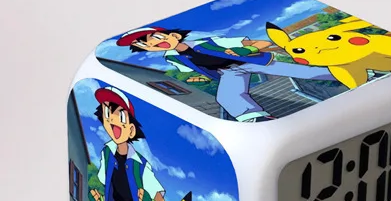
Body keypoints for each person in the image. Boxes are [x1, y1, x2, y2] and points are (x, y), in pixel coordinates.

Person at [116, 27, 336, 122]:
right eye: (146, 45)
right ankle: (256, 118)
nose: (154, 44)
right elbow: (193, 71)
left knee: (298, 71)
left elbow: (256, 43)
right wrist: (197, 79)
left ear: (173, 35)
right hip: (228, 72)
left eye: (155, 38)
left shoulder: (209, 41)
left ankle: (338, 73)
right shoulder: (172, 58)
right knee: (227, 96)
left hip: (249, 60)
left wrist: (247, 49)